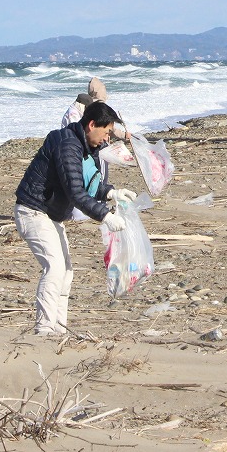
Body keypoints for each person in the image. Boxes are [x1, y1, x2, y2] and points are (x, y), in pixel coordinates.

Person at [15, 100, 137, 335]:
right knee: (55, 267)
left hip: (50, 215)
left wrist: (111, 193)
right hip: (32, 211)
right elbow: (75, 191)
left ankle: (59, 327)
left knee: (67, 272)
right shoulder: (68, 145)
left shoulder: (81, 147)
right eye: (106, 132)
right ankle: (44, 328)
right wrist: (105, 216)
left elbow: (87, 182)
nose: (106, 139)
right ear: (92, 124)